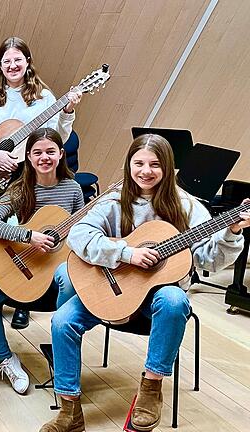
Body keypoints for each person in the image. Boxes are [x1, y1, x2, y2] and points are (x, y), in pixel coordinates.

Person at [40, 134, 250, 432]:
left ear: (167, 168)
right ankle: (69, 410)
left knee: (175, 300)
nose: (146, 171)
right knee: (62, 320)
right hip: (112, 291)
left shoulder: (188, 206)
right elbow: (78, 235)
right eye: (138, 163)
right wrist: (127, 253)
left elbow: (209, 260)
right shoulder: (114, 200)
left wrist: (231, 232)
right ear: (129, 165)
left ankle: (150, 390)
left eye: (154, 164)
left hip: (157, 303)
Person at [0, 36, 81, 329]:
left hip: (26, 175)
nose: (13, 65)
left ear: (28, 62)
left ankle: (24, 299)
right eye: (7, 61)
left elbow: (55, 139)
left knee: (29, 228)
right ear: (0, 66)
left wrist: (67, 112)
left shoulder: (44, 98)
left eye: (18, 59)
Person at [0, 128, 83, 394]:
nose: (44, 157)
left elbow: (83, 231)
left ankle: (61, 352)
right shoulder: (21, 189)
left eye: (50, 152)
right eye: (37, 153)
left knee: (69, 279)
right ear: (29, 157)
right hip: (22, 265)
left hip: (54, 270)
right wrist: (28, 235)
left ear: (60, 154)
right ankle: (6, 359)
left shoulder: (73, 189)